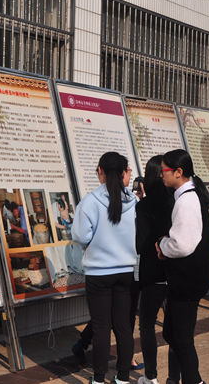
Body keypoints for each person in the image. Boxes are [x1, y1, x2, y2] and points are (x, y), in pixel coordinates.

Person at [72, 151, 137, 384]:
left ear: (100, 171)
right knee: (123, 327)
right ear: (123, 173)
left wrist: (96, 243)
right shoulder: (134, 201)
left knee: (101, 328)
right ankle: (122, 378)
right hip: (125, 272)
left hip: (99, 273)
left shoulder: (89, 201)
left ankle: (98, 379)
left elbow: (80, 236)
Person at [156, 149, 209, 384]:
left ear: (179, 172)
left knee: (181, 339)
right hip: (187, 280)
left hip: (187, 281)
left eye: (164, 171)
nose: (161, 175)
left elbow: (182, 244)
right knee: (172, 333)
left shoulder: (187, 200)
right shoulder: (187, 195)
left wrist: (161, 245)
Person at [136, 156, 180, 384]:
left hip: (152, 273)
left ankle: (150, 376)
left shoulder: (144, 205)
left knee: (146, 324)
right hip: (174, 272)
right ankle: (173, 378)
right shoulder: (176, 201)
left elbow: (140, 245)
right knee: (174, 329)